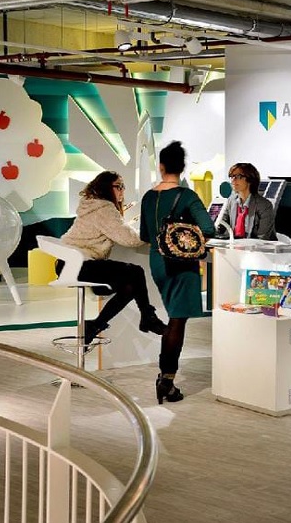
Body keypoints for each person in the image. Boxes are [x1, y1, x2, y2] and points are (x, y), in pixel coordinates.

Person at [139, 141, 216, 404]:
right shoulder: (187, 196)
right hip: (182, 264)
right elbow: (208, 228)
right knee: (177, 320)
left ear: (161, 167)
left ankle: (166, 378)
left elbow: (145, 235)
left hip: (157, 262)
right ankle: (167, 380)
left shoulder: (148, 197)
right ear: (182, 168)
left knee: (174, 317)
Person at [59, 171, 167, 346]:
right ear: (106, 188)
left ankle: (96, 325)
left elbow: (118, 232)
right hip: (78, 264)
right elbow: (129, 239)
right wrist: (151, 233)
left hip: (69, 263)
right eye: (118, 186)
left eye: (123, 186)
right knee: (135, 272)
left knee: (130, 285)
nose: (122, 190)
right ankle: (147, 317)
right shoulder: (104, 209)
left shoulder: (93, 205)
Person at [216, 162, 277, 240]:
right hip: (235, 245)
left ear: (250, 180)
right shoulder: (231, 201)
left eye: (238, 176)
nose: (233, 180)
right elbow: (220, 226)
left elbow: (262, 239)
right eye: (232, 177)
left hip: (259, 247)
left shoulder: (265, 205)